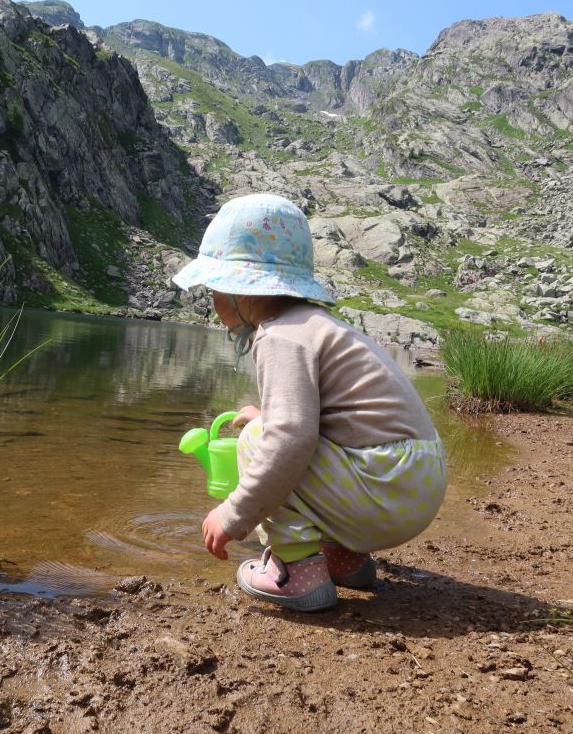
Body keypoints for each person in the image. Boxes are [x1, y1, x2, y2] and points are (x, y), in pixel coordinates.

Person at [172, 193, 447, 612]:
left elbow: (290, 438)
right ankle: (344, 559)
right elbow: (332, 419)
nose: (212, 305)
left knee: (260, 441)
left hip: (384, 485)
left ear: (239, 291)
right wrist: (268, 416)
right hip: (414, 484)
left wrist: (232, 515)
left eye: (214, 289)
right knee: (274, 429)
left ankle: (295, 574)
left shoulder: (279, 335)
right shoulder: (317, 325)